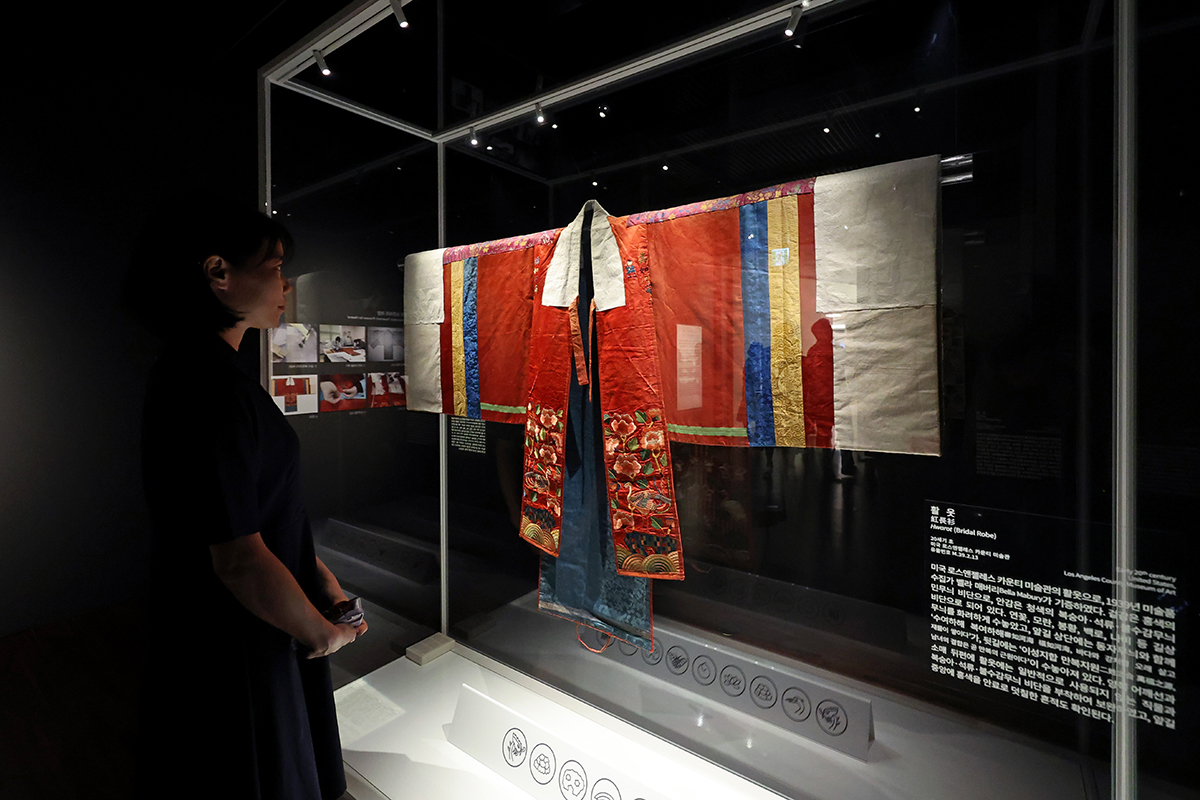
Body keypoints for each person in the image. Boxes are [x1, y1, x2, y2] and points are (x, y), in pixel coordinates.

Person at [125, 196, 365, 800]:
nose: (286, 284)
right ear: (218, 273)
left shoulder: (202, 372)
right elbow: (236, 554)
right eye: (275, 267)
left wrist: (320, 579)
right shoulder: (209, 385)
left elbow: (258, 512)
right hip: (238, 631)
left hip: (247, 614)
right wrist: (320, 633)